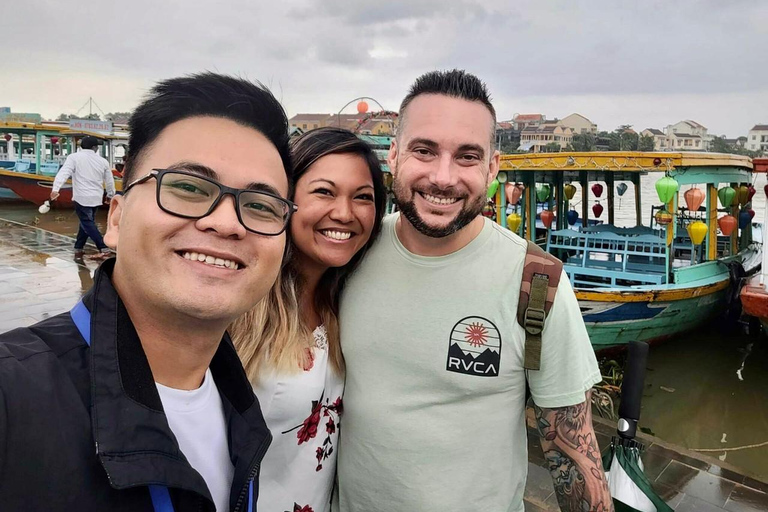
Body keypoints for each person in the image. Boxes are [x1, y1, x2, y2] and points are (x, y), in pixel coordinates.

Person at [0, 72, 295, 511]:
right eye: (189, 188)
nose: (227, 222)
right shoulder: (15, 397)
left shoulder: (239, 404)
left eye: (260, 206)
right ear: (116, 219)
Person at [334, 70, 613, 512]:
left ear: (492, 167)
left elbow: (573, 452)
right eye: (424, 151)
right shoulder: (349, 256)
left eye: (467, 157)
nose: (443, 178)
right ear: (393, 156)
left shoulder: (537, 282)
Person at [230, 127, 386, 512]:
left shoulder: (344, 302)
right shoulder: (241, 301)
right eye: (324, 192)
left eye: (362, 198)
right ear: (286, 199)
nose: (344, 213)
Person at [51, 135, 116, 260]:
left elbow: (64, 173)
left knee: (87, 223)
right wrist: (110, 194)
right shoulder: (103, 161)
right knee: (86, 223)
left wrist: (55, 189)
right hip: (96, 197)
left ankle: (103, 248)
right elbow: (109, 180)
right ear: (94, 147)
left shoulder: (74, 158)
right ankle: (78, 248)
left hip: (81, 197)